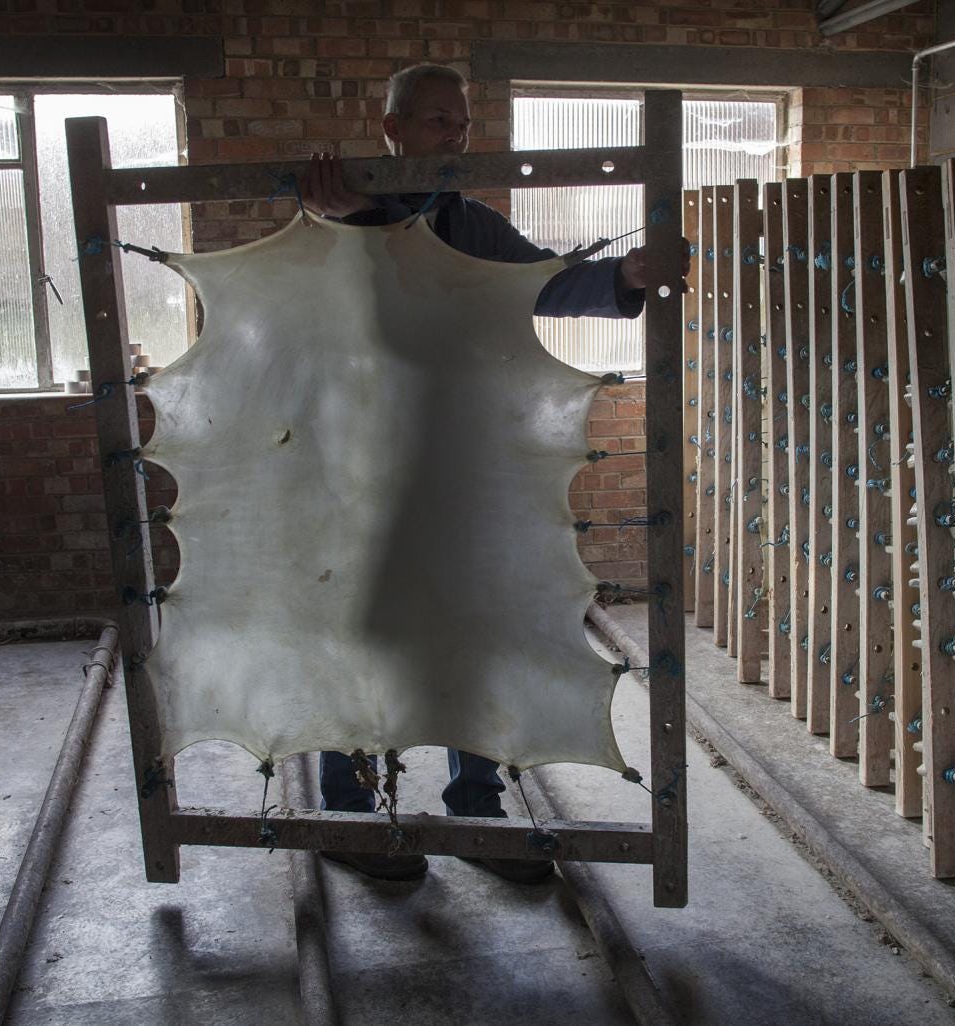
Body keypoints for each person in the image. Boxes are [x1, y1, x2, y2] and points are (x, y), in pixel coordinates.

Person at [299, 63, 677, 885]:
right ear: (391, 126)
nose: (456, 136)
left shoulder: (473, 224)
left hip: (461, 463)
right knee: (369, 634)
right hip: (360, 470)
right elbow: (359, 284)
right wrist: (360, 217)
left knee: (476, 635)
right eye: (438, 121)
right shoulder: (330, 207)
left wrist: (624, 279)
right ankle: (349, 813)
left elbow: (543, 284)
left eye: (463, 124)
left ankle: (477, 813)